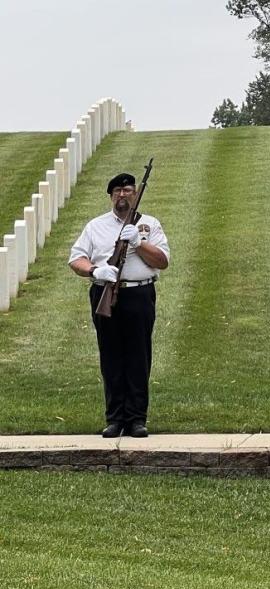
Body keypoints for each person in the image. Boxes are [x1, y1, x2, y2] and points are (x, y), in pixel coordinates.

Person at [68, 172, 170, 438]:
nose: (122, 195)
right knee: (111, 356)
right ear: (111, 196)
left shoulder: (149, 225)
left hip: (139, 294)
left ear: (135, 194)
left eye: (127, 190)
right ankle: (114, 418)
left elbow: (162, 261)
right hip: (105, 292)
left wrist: (139, 242)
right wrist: (95, 271)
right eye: (117, 191)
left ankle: (137, 419)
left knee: (138, 357)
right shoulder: (96, 226)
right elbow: (76, 259)